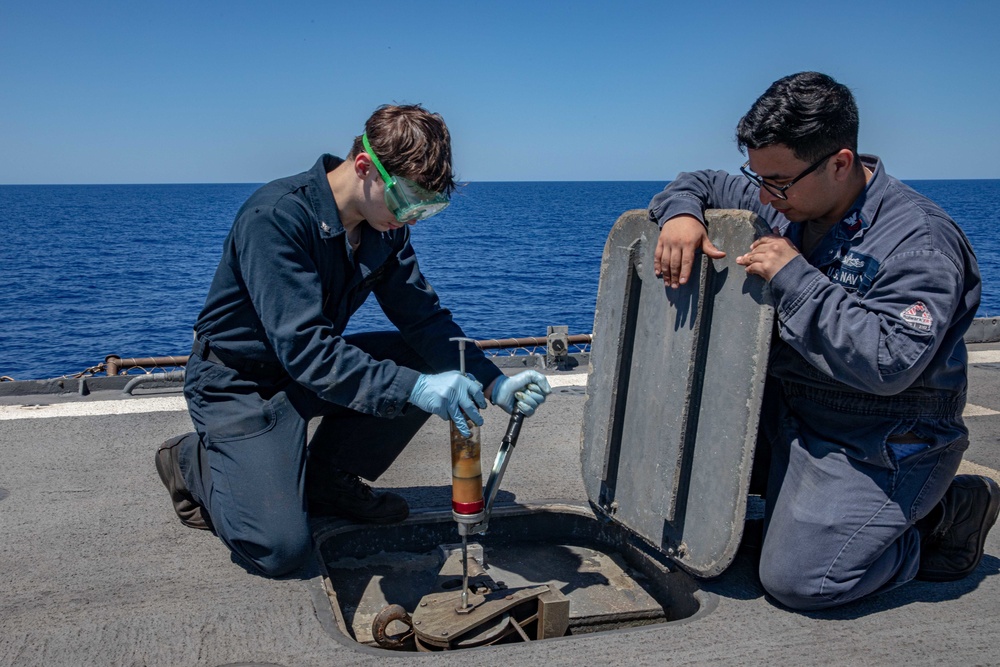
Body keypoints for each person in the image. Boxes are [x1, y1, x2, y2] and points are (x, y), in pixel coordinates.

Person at [648, 72, 999, 610]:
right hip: (790, 410)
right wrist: (681, 215)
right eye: (758, 177)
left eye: (779, 183)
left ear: (839, 162)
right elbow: (700, 181)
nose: (764, 196)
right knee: (677, 475)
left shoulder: (919, 243)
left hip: (880, 434)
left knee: (802, 581)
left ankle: (944, 517)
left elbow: (890, 363)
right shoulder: (786, 196)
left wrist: (795, 278)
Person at [155, 104, 551, 577]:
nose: (413, 219)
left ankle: (326, 480)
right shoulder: (276, 218)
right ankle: (194, 461)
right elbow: (306, 348)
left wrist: (492, 383)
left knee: (419, 358)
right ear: (365, 168)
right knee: (279, 550)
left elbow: (424, 319)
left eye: (427, 208)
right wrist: (414, 389)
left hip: (308, 371)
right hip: (238, 384)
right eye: (407, 200)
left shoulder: (386, 228)